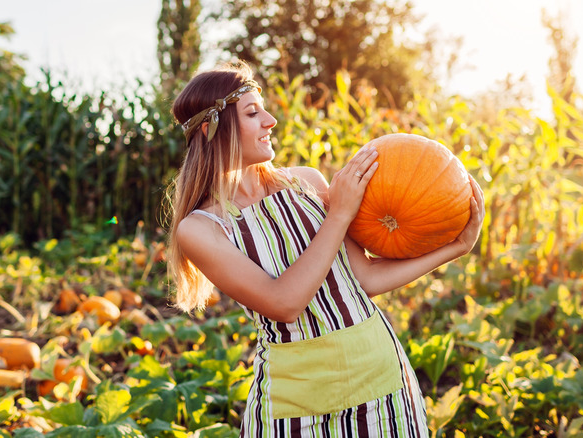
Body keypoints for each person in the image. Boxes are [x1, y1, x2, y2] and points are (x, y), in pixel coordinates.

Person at [165, 60, 485, 437]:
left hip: (379, 378)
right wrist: (340, 214)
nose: (271, 121)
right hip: (295, 401)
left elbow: (363, 278)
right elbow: (284, 303)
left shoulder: (306, 182)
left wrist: (456, 247)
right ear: (210, 128)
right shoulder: (202, 228)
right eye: (253, 112)